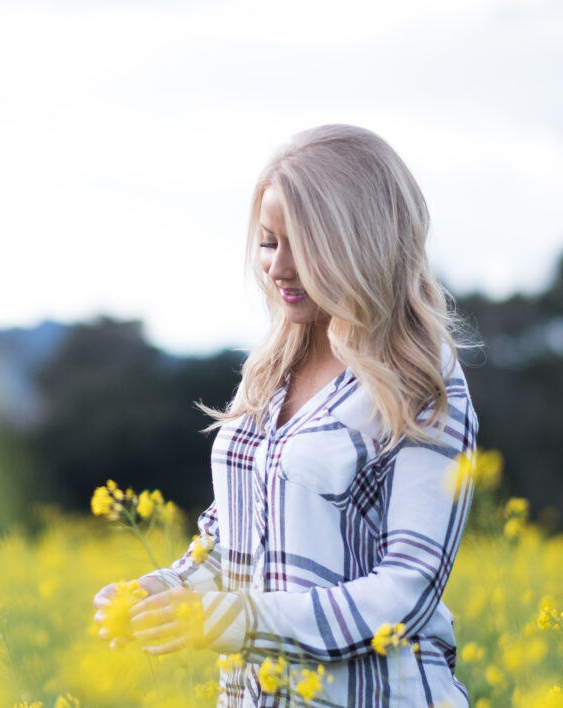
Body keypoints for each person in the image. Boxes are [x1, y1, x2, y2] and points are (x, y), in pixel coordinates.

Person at [93, 124, 477, 707]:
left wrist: (239, 619)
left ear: (361, 242)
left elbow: (407, 590)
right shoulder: (268, 372)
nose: (277, 266)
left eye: (302, 243)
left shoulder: (420, 382)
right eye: (270, 241)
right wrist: (166, 590)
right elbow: (234, 544)